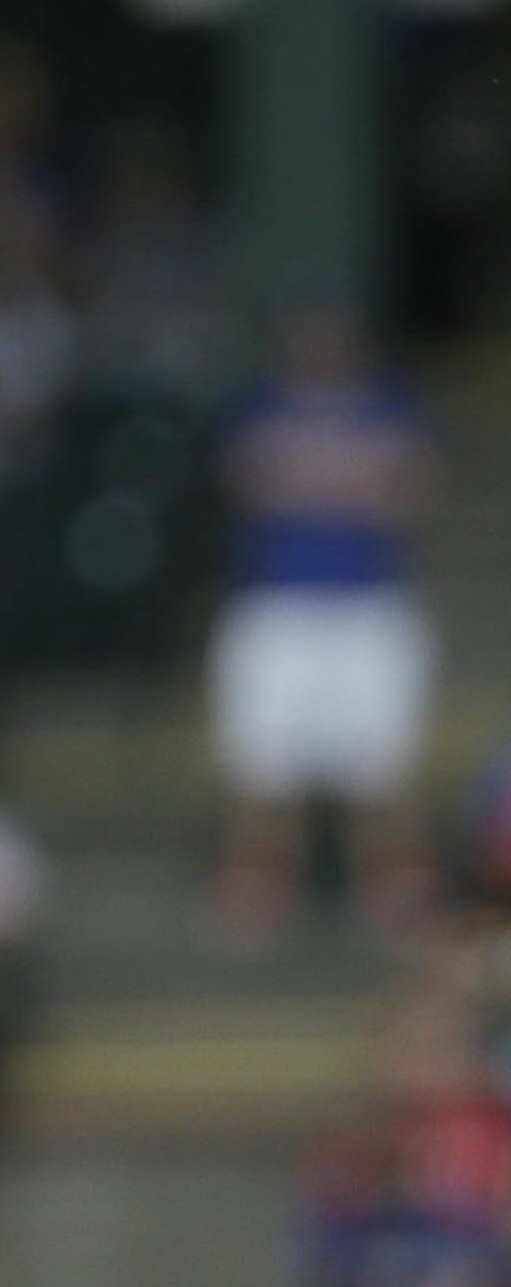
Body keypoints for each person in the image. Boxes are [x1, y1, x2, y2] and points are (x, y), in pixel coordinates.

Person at [209, 305, 438, 935]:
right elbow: (247, 484)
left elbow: (412, 491)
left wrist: (309, 476)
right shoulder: (257, 403)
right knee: (263, 763)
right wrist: (351, 476)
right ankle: (259, 889)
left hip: (371, 603)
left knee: (383, 765)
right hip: (276, 603)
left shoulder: (391, 403)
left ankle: (391, 889)